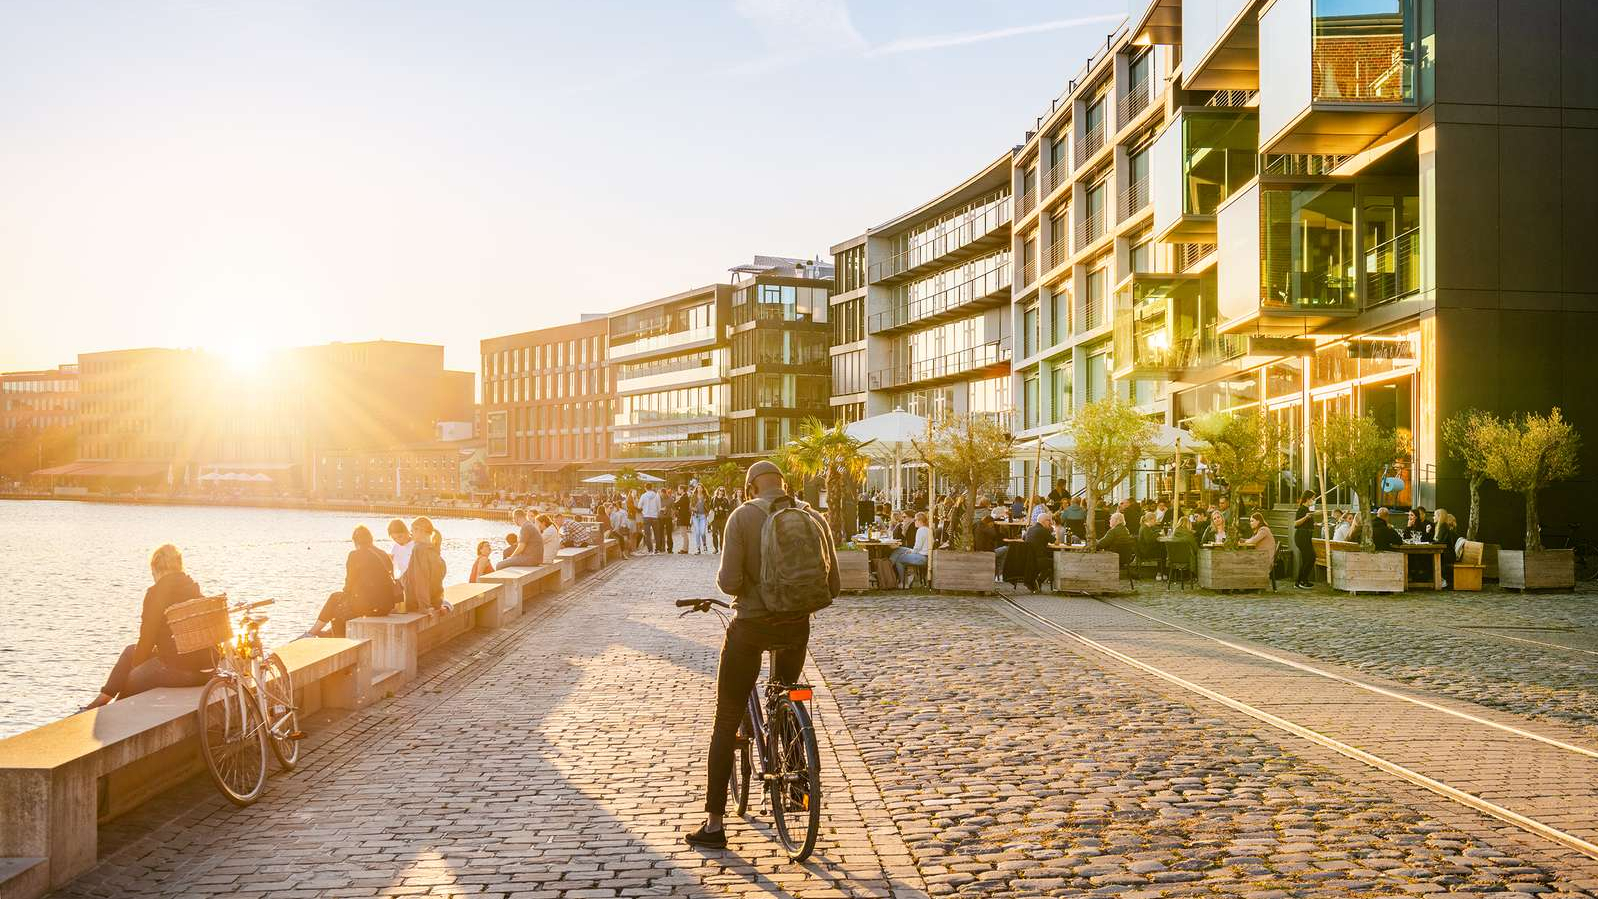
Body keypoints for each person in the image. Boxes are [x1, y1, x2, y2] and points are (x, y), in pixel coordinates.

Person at [688, 460, 840, 848]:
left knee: (725, 720)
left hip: (752, 626)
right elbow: (833, 583)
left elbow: (728, 581)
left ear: (749, 486)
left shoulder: (741, 517)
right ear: (783, 484)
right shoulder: (813, 517)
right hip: (796, 626)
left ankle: (713, 825)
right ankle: (798, 792)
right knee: (786, 691)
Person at [86, 544, 210, 708]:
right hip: (202, 673)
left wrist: (137, 668)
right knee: (131, 651)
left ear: (156, 569)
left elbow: (147, 638)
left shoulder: (157, 593)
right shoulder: (193, 588)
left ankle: (103, 708)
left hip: (178, 671)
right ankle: (101, 700)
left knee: (130, 679)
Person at [308, 526, 400, 637]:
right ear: (370, 539)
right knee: (340, 609)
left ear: (355, 541)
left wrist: (345, 598)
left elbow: (349, 583)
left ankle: (312, 633)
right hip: (386, 607)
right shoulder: (383, 554)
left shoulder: (355, 555)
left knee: (335, 600)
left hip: (370, 607)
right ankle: (328, 634)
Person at [404, 517, 449, 613]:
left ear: (420, 530)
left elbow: (421, 579)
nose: (411, 536)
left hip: (415, 603)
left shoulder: (419, 549)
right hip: (435, 602)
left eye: (412, 532)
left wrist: (424, 607)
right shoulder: (434, 549)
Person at [889, 512, 932, 586]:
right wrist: (910, 551)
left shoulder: (920, 530)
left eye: (915, 520)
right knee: (898, 550)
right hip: (925, 555)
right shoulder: (927, 529)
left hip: (922, 557)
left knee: (899, 559)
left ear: (920, 521)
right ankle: (889, 567)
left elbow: (917, 548)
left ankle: (902, 582)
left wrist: (911, 551)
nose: (914, 521)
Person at [1022, 512, 1055, 592]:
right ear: (1044, 521)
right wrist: (1053, 529)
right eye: (1049, 521)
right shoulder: (1043, 530)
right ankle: (1039, 580)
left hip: (1029, 560)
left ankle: (1036, 580)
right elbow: (1054, 541)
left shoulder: (1030, 529)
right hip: (1039, 559)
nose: (1050, 523)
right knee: (1056, 563)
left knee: (1049, 561)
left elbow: (1023, 538)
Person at [1293, 490, 1316, 589]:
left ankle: (1301, 580)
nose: (1314, 501)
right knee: (1310, 557)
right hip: (1302, 536)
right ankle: (1301, 581)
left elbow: (1308, 524)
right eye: (1313, 499)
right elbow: (1296, 523)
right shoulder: (1302, 509)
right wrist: (1306, 518)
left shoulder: (1307, 510)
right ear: (1308, 499)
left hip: (1307, 535)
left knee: (1309, 558)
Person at [1434, 508, 1460, 588]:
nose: (1433, 517)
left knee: (1427, 558)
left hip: (1447, 555)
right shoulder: (1441, 526)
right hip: (1446, 553)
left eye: (1434, 515)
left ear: (1439, 516)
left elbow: (1441, 542)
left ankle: (1441, 580)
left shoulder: (1443, 527)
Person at [1135, 511, 1163, 579]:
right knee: (1163, 552)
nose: (1155, 521)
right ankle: (1160, 573)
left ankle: (1161, 572)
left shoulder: (1145, 527)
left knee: (1162, 550)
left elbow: (1150, 535)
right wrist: (1158, 534)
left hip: (1144, 550)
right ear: (1151, 520)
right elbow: (1149, 540)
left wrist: (1157, 532)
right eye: (1155, 520)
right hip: (1146, 552)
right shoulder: (1145, 528)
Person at [640, 484, 664, 554]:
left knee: (647, 534)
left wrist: (644, 508)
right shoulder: (657, 495)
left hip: (646, 516)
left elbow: (639, 506)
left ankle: (650, 550)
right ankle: (658, 550)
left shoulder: (643, 496)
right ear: (652, 487)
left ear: (645, 488)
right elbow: (659, 507)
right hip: (654, 517)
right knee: (657, 534)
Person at [711, 487, 734, 553]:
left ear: (724, 492)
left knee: (722, 534)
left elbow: (728, 509)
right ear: (717, 491)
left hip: (722, 519)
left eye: (722, 491)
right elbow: (710, 507)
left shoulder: (725, 500)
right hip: (715, 519)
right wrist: (714, 509)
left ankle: (722, 549)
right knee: (714, 534)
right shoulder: (713, 499)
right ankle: (715, 548)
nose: (721, 492)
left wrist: (723, 509)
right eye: (720, 490)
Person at [691, 485, 711, 554]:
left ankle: (704, 544)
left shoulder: (706, 496)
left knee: (702, 532)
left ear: (703, 489)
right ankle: (698, 548)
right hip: (695, 516)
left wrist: (707, 511)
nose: (699, 489)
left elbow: (709, 506)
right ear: (696, 489)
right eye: (698, 488)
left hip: (703, 516)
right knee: (697, 532)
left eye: (700, 488)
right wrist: (693, 508)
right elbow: (690, 506)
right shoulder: (693, 496)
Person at [674, 487, 693, 554]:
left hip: (683, 517)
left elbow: (676, 504)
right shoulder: (684, 496)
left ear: (682, 490)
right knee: (684, 533)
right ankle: (685, 548)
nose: (678, 490)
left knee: (684, 533)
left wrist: (676, 500)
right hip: (684, 517)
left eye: (679, 489)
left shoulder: (684, 497)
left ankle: (685, 549)